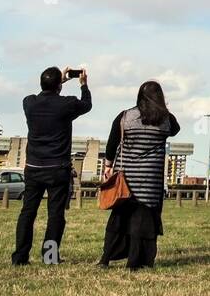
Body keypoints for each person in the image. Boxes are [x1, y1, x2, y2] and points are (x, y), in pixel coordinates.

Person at [12, 66, 91, 265]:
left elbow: (44, 95)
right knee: (55, 214)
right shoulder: (66, 104)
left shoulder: (29, 103)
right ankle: (49, 257)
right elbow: (86, 104)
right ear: (59, 86)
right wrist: (83, 85)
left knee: (28, 212)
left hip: (33, 167)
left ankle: (20, 257)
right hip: (57, 168)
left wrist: (58, 82)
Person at [98, 81, 180, 271]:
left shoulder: (125, 116)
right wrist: (164, 109)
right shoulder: (166, 119)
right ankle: (135, 262)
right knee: (143, 222)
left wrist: (108, 165)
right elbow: (175, 130)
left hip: (126, 178)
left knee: (119, 218)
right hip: (150, 180)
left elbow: (112, 143)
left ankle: (106, 258)